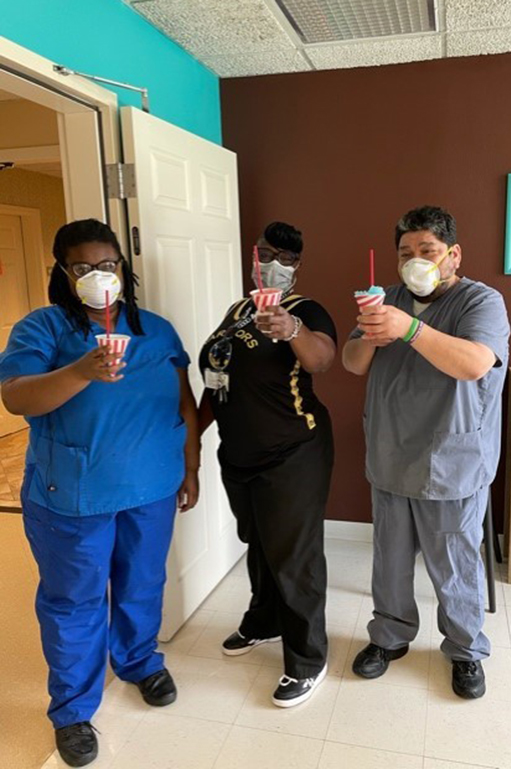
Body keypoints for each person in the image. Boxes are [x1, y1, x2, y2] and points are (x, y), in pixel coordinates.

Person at [0, 219, 199, 767]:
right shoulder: (42, 329)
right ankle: (72, 710)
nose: (97, 275)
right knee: (74, 602)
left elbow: (183, 400)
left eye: (106, 265)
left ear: (122, 268)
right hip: (74, 494)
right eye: (82, 267)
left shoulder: (155, 330)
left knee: (142, 582)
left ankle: (138, 662)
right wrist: (82, 370)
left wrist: (191, 465)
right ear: (63, 273)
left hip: (150, 487)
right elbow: (18, 399)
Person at [342, 205, 510, 699]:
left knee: (455, 565)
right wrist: (371, 333)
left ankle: (464, 649)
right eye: (406, 253)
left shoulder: (482, 302)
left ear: (453, 255)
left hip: (451, 460)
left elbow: (476, 363)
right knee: (389, 563)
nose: (416, 261)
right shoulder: (386, 298)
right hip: (391, 453)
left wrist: (409, 330)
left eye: (428, 252)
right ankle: (389, 638)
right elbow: (353, 364)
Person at [199, 221, 337, 708]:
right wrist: (190, 447)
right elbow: (215, 380)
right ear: (251, 256)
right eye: (265, 252)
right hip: (238, 453)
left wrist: (292, 329)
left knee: (294, 556)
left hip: (294, 454)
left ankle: (308, 659)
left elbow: (322, 359)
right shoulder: (236, 311)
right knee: (257, 544)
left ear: (298, 267)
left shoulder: (305, 310)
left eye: (287, 257)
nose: (274, 263)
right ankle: (264, 620)